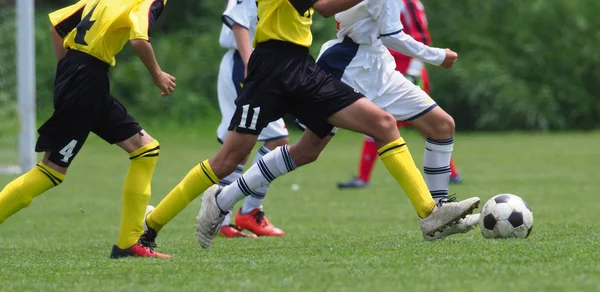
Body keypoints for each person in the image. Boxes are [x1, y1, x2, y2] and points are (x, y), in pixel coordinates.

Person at [140, 0, 480, 252]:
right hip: (269, 71)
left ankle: (429, 213)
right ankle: (153, 225)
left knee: (383, 124)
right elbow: (326, 6)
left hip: (302, 70)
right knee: (227, 160)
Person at [0, 0, 174, 259]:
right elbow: (139, 39)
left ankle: (129, 243)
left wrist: (68, 71)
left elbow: (56, 28)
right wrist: (158, 74)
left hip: (83, 76)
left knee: (146, 149)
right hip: (87, 80)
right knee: (51, 172)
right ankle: (129, 243)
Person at [337, 0, 462, 190]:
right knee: (383, 119)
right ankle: (363, 177)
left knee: (427, 123)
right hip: (381, 67)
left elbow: (420, 34)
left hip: (405, 69)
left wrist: (415, 69)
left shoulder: (408, 2)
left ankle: (448, 177)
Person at [214, 0, 288, 238]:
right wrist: (250, 63)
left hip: (249, 63)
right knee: (277, 139)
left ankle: (222, 219)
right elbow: (238, 18)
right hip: (244, 64)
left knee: (239, 148)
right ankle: (248, 210)